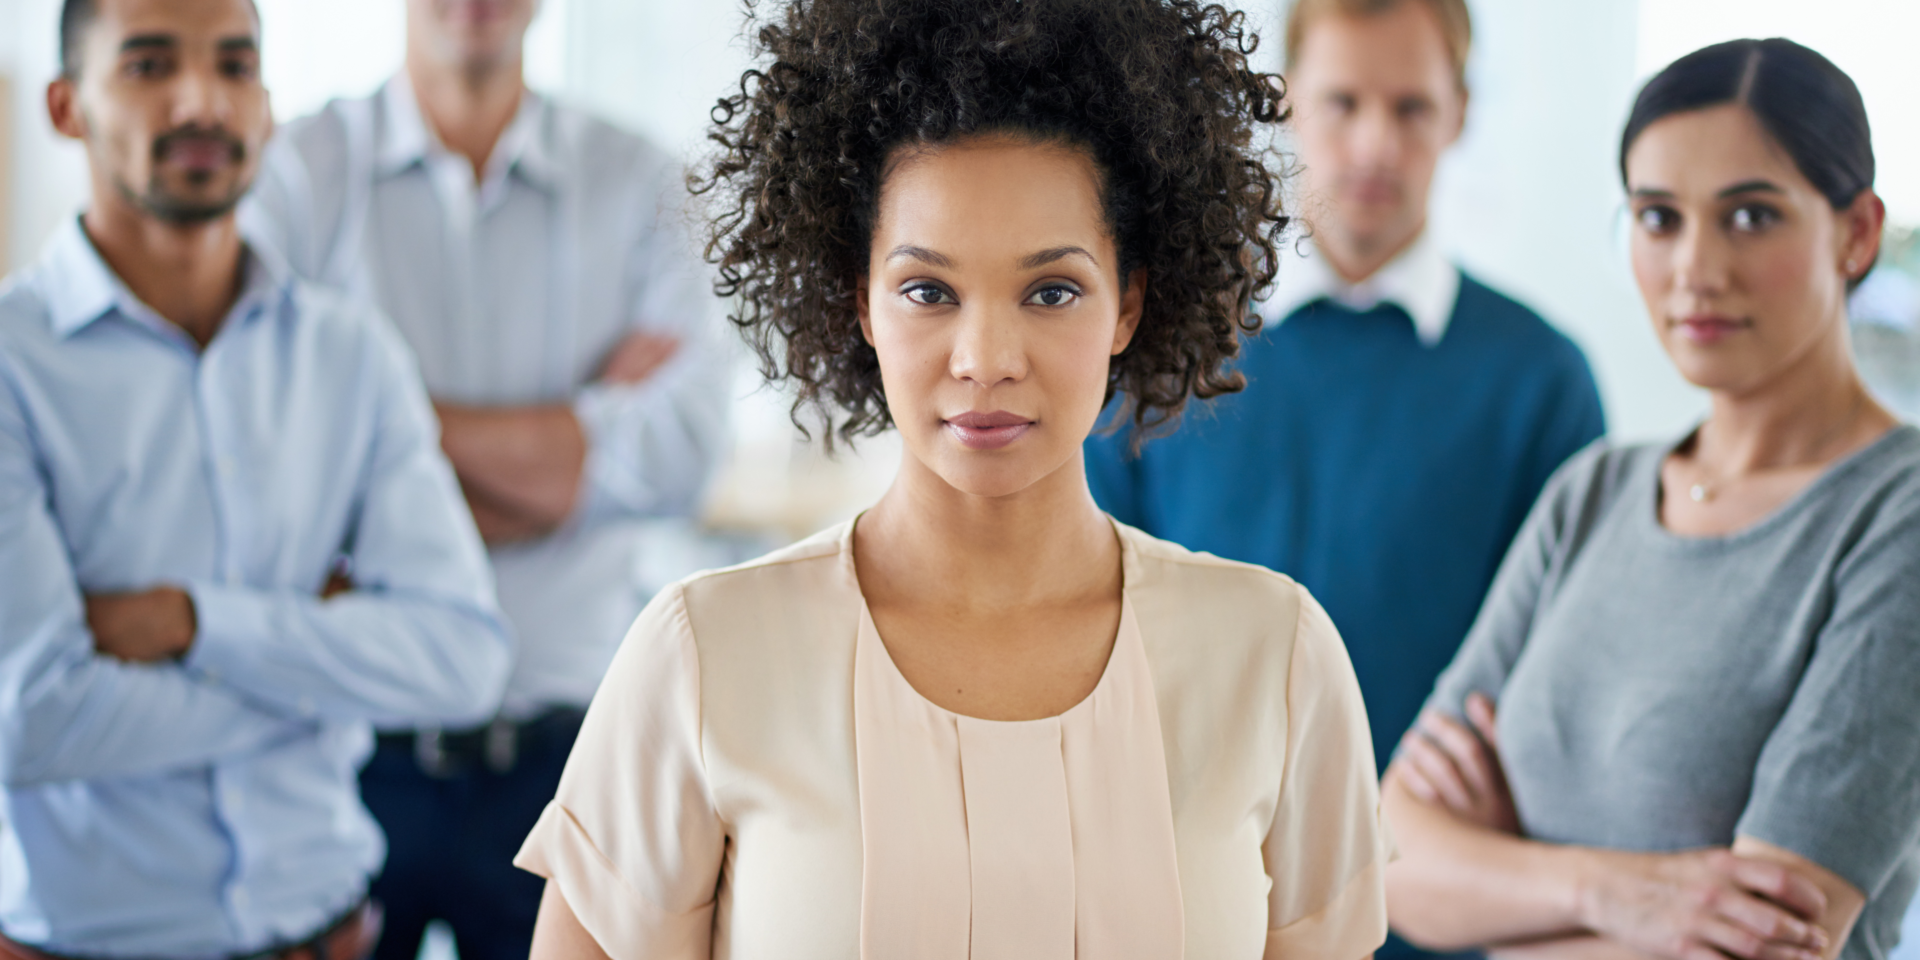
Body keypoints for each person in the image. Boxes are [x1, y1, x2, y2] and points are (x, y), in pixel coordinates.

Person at [512, 0, 1392, 956]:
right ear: (860, 304)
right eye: (928, 291)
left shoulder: (1279, 660)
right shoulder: (701, 657)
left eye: (1051, 291)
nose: (985, 357)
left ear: (1130, 305)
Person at [1385, 38, 1920, 960]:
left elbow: (1760, 945)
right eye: (1659, 218)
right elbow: (1390, 861)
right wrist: (1622, 893)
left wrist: (1497, 880)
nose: (1695, 268)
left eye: (1751, 216)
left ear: (1858, 233)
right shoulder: (1592, 493)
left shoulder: (1895, 515)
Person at [0, 0, 513, 956]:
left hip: (327, 938)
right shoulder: (11, 363)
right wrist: (322, 660)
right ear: (67, 107)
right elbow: (29, 722)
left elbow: (464, 660)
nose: (203, 101)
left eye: (235, 67)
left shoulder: (352, 355)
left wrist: (190, 625)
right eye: (150, 66)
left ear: (268, 108)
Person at [240, 0, 729, 956]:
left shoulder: (639, 182)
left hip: (571, 762)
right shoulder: (294, 174)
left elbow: (680, 452)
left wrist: (378, 440)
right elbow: (265, 468)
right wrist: (586, 425)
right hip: (344, 752)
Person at [1082, 0, 1606, 812]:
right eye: (1343, 102)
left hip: (1430, 899)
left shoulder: (1541, 381)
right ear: (1286, 99)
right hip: (1180, 862)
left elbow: (1565, 671)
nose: (1374, 145)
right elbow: (1080, 610)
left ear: (1460, 113)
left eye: (1411, 107)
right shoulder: (1152, 344)